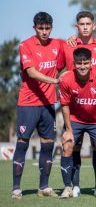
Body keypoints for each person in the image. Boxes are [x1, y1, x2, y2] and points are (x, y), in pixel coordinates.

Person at [57, 11, 96, 197]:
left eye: (88, 23)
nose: (83, 66)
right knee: (70, 146)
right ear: (77, 26)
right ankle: (70, 186)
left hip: (95, 116)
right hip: (76, 116)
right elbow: (64, 103)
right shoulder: (69, 45)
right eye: (82, 24)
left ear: (94, 25)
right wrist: (68, 129)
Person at [12, 12, 61, 199]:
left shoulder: (57, 44)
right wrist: (55, 81)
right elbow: (31, 73)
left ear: (51, 28)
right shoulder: (25, 45)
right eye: (41, 28)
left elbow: (75, 50)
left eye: (47, 28)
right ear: (34, 28)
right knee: (22, 143)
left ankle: (44, 187)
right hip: (28, 103)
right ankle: (16, 188)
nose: (44, 32)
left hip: (48, 104)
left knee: (48, 145)